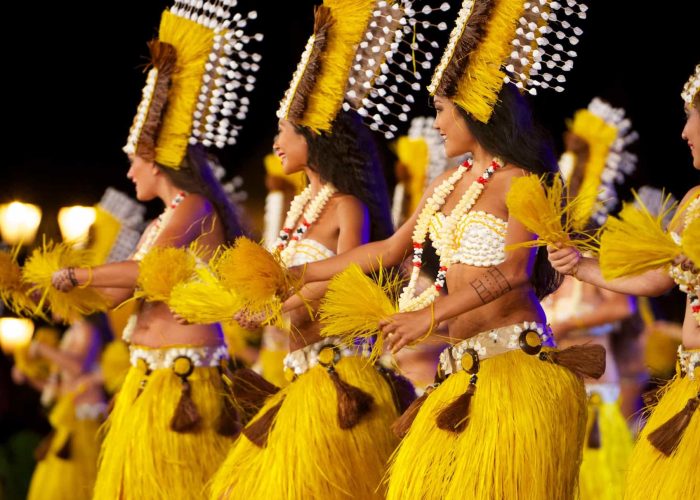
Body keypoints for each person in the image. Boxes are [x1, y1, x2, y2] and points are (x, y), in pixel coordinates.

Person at [297, 1, 598, 498]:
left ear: (474, 108)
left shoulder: (520, 181)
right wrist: (300, 275)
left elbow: (516, 272)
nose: (435, 121)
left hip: (511, 368)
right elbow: (391, 248)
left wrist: (428, 315)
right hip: (459, 369)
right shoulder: (448, 181)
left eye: (441, 109)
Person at [208, 1, 440, 497]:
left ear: (316, 137)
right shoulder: (298, 211)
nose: (276, 142)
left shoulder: (346, 207)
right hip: (299, 373)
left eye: (284, 132)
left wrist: (274, 305)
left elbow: (341, 288)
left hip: (336, 374)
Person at [48, 2, 261, 498]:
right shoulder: (163, 219)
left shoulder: (193, 207)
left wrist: (82, 276)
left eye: (134, 163)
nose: (129, 173)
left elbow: (143, 273)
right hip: (151, 375)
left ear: (157, 161)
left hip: (181, 377)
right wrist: (55, 293)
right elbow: (122, 292)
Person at [548, 63, 700, 500]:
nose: (685, 132)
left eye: (693, 116)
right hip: (689, 386)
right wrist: (579, 265)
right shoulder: (693, 203)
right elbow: (656, 278)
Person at [543, 97, 639, 500]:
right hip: (555, 391)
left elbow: (624, 304)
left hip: (597, 389)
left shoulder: (590, 254)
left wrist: (571, 323)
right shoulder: (545, 260)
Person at [11, 314, 110, 500]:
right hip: (68, 420)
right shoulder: (72, 332)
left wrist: (42, 349)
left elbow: (77, 367)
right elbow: (58, 389)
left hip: (86, 419)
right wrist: (29, 377)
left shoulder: (87, 329)